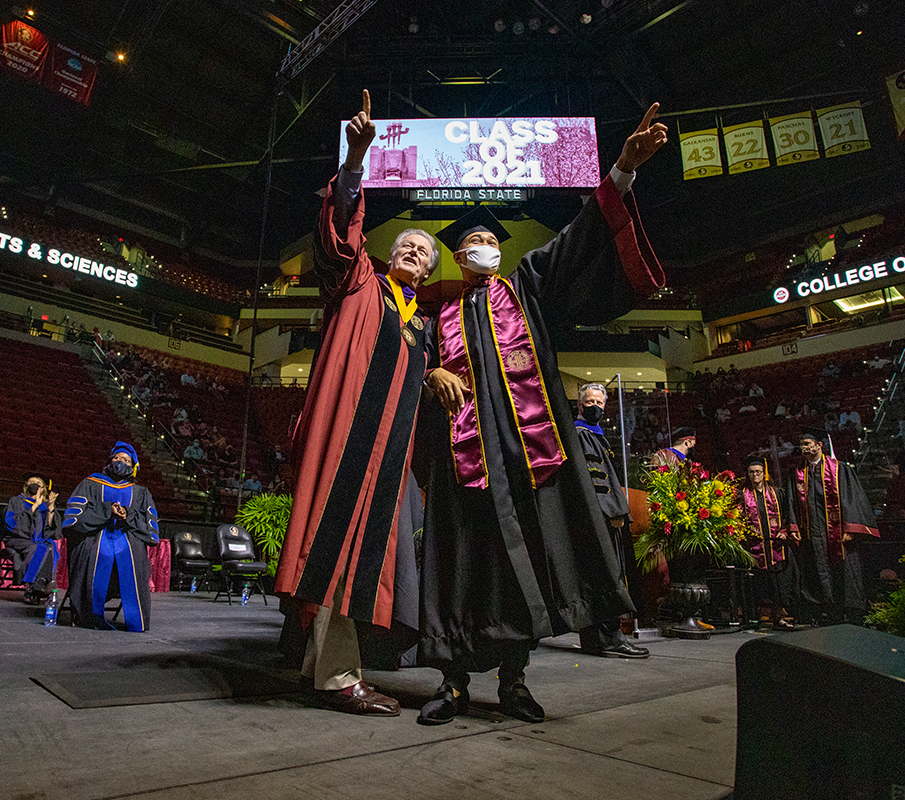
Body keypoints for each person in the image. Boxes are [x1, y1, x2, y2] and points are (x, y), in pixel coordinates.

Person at [418, 101, 668, 725]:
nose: (482, 247)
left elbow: (579, 238)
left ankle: (514, 683)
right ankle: (452, 685)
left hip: (525, 458)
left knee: (522, 565)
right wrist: (431, 372)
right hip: (463, 464)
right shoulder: (436, 317)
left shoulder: (527, 287)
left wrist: (622, 172)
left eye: (488, 241)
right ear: (459, 258)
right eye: (472, 243)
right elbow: (406, 371)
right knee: (461, 566)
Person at [273, 89, 434, 717]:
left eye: (424, 251)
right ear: (390, 254)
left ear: (429, 271)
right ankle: (339, 676)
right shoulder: (362, 280)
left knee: (355, 553)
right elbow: (339, 233)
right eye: (407, 245)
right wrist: (355, 163)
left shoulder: (423, 328)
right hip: (346, 440)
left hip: (386, 459)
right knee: (334, 544)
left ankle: (323, 669)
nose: (413, 251)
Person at [573, 384, 650, 659]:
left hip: (594, 518)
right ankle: (611, 637)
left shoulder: (593, 435)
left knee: (594, 577)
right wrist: (614, 512)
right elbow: (596, 481)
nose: (595, 406)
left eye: (599, 402)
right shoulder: (583, 436)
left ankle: (594, 639)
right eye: (589, 402)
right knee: (607, 575)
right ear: (579, 405)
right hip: (601, 519)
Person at [62, 443, 160, 632]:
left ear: (133, 466)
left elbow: (151, 532)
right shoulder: (89, 484)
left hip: (127, 540)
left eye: (126, 460)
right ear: (109, 461)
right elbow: (73, 521)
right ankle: (90, 615)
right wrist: (107, 511)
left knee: (134, 555)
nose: (120, 462)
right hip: (94, 539)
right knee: (97, 553)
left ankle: (135, 620)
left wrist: (128, 514)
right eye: (117, 458)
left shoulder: (141, 492)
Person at [786, 433, 879, 626]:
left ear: (819, 445)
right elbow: (792, 501)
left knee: (844, 571)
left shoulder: (839, 469)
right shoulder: (798, 473)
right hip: (812, 533)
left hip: (837, 534)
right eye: (802, 445)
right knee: (815, 570)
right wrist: (794, 525)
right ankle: (824, 611)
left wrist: (849, 527)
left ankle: (850, 612)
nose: (804, 448)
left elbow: (851, 498)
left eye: (808, 444)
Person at [738, 458, 797, 629]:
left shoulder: (777, 494)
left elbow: (787, 515)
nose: (755, 475)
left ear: (764, 474)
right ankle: (757, 616)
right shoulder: (741, 495)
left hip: (776, 545)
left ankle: (778, 615)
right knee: (757, 583)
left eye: (758, 472)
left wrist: (784, 531)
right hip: (753, 546)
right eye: (751, 472)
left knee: (778, 582)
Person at [2, 472, 61, 604]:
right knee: (40, 548)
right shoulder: (16, 501)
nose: (34, 485)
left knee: (51, 547)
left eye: (38, 483)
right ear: (26, 486)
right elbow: (13, 525)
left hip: (39, 541)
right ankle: (35, 586)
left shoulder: (45, 505)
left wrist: (51, 508)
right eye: (31, 483)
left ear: (43, 488)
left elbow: (51, 531)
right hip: (18, 539)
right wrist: (34, 506)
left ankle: (38, 584)